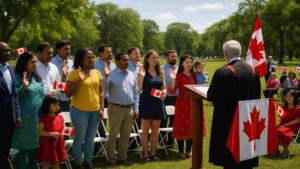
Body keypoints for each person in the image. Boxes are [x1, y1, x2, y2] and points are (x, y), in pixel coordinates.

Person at [207, 40, 261, 169]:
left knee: (230, 161)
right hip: (249, 122)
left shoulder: (223, 72)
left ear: (226, 53)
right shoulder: (254, 71)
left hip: (229, 124)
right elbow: (258, 95)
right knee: (247, 160)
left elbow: (212, 96)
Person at [66, 48, 104, 169]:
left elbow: (101, 92)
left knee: (90, 138)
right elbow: (68, 93)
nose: (91, 59)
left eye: (93, 57)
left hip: (95, 110)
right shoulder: (74, 73)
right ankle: (77, 163)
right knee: (79, 138)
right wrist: (80, 81)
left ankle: (88, 162)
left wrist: (102, 109)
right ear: (81, 59)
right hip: (79, 110)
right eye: (88, 57)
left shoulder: (97, 73)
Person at [106, 52, 139, 167]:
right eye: (125, 60)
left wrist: (136, 108)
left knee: (125, 135)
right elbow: (104, 91)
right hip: (115, 108)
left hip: (129, 108)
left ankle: (122, 157)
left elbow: (135, 92)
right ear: (118, 61)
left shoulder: (131, 74)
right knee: (113, 135)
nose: (127, 62)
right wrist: (105, 78)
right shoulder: (111, 74)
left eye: (128, 60)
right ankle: (111, 159)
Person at [12, 51, 44, 169]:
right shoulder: (16, 77)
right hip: (23, 120)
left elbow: (41, 95)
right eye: (32, 62)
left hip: (36, 119)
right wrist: (23, 87)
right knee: (22, 150)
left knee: (34, 150)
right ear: (24, 63)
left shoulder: (36, 78)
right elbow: (13, 98)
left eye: (36, 61)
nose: (35, 64)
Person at [169, 55, 204, 158]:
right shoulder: (178, 76)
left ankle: (188, 151)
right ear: (182, 64)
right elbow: (171, 91)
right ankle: (180, 151)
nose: (189, 64)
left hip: (195, 104)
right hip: (182, 105)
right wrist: (173, 79)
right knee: (181, 126)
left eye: (191, 62)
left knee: (192, 127)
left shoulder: (195, 75)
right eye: (187, 62)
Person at [137, 50, 166, 162]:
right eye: (153, 57)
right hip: (146, 103)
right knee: (145, 130)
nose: (156, 59)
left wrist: (163, 93)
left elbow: (164, 88)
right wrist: (141, 77)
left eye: (157, 57)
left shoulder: (160, 72)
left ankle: (153, 153)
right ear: (147, 59)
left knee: (155, 129)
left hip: (158, 103)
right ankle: (145, 154)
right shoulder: (143, 72)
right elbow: (138, 89)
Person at [0, 42, 21, 168]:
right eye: (4, 51)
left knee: (4, 151)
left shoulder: (11, 69)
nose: (8, 53)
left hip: (10, 119)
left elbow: (14, 94)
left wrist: (17, 114)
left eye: (9, 50)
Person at [38, 95, 66, 169]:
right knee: (46, 164)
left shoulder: (60, 117)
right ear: (47, 105)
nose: (57, 106)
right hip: (47, 144)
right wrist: (51, 134)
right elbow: (39, 132)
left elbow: (62, 130)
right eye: (54, 104)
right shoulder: (43, 118)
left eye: (58, 104)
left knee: (56, 163)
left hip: (57, 144)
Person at [94, 44, 116, 139]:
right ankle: (100, 144)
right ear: (100, 54)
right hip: (100, 97)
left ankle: (112, 141)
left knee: (113, 121)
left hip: (113, 98)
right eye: (107, 52)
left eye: (111, 51)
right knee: (100, 121)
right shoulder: (94, 67)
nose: (110, 54)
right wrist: (106, 77)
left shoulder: (115, 66)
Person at [160, 50, 178, 147]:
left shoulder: (179, 69)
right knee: (163, 120)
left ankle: (171, 141)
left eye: (175, 56)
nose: (174, 58)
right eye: (172, 56)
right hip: (165, 98)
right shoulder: (161, 69)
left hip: (177, 98)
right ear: (167, 57)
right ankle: (161, 141)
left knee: (174, 120)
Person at [276, 90, 300, 158]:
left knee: (280, 131)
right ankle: (276, 149)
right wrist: (279, 118)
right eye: (286, 96)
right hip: (282, 125)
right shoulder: (283, 107)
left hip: (293, 126)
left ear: (294, 98)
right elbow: (280, 117)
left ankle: (286, 151)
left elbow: (297, 120)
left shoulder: (298, 108)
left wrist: (285, 125)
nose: (288, 98)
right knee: (271, 130)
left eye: (290, 96)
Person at [51, 40, 73, 111]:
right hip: (57, 99)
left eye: (69, 49)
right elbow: (52, 82)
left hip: (70, 99)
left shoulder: (71, 62)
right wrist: (63, 76)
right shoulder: (52, 63)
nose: (68, 51)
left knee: (68, 121)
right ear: (58, 50)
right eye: (66, 49)